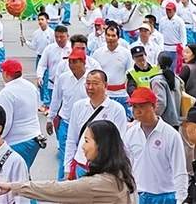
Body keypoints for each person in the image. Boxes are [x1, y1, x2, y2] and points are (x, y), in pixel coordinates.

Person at [0, 120, 136, 204]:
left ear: (101, 145)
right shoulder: (121, 172)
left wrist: (14, 187)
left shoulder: (99, 183)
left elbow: (56, 189)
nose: (83, 146)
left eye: (86, 141)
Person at [124, 87, 188, 203]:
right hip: (139, 196)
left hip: (165, 196)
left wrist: (181, 199)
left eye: (142, 106)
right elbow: (127, 167)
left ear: (153, 106)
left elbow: (180, 171)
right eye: (134, 107)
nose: (137, 111)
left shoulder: (171, 135)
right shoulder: (130, 134)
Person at [64, 70, 128, 179]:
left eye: (95, 83)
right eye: (88, 83)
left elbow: (120, 142)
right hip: (81, 166)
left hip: (104, 170)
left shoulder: (117, 109)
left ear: (105, 85)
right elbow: (71, 139)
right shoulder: (78, 107)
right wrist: (67, 168)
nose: (90, 87)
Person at [48, 48, 89, 180]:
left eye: (75, 61)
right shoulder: (63, 78)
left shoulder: (91, 80)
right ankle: (62, 185)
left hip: (86, 126)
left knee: (85, 158)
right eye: (70, 61)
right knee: (65, 155)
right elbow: (56, 99)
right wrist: (50, 118)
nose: (71, 65)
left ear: (83, 62)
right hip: (66, 123)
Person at [0, 59, 43, 169]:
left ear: (6, 74)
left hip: (17, 141)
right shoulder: (30, 86)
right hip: (34, 138)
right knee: (23, 172)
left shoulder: (6, 93)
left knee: (14, 177)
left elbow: (5, 122)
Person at [92, 25, 133, 118]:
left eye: (113, 35)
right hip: (103, 94)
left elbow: (130, 73)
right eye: (108, 35)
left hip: (121, 94)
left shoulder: (126, 53)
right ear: (105, 36)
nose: (110, 38)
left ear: (118, 37)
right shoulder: (97, 53)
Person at [22, 12, 55, 108]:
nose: (40, 22)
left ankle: (47, 102)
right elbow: (34, 46)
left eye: (42, 20)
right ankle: (42, 101)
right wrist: (26, 42)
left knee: (46, 80)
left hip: (49, 59)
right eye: (39, 20)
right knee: (40, 80)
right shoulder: (36, 33)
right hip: (39, 58)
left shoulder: (52, 33)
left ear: (47, 20)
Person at [36, 25, 71, 112]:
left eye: (62, 37)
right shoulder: (49, 49)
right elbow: (42, 65)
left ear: (67, 36)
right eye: (56, 37)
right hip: (53, 85)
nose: (59, 39)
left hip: (69, 85)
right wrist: (39, 76)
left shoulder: (73, 49)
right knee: (54, 110)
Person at [150, 52, 182, 129]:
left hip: (163, 122)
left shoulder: (157, 80)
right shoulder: (176, 79)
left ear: (158, 63)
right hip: (176, 119)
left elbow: (161, 103)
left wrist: (153, 117)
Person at [158, 2, 187, 73]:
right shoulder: (162, 20)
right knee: (163, 68)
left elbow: (183, 36)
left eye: (170, 10)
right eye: (167, 10)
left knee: (173, 69)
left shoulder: (179, 21)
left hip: (175, 49)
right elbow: (160, 33)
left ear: (174, 10)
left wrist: (183, 48)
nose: (168, 12)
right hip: (164, 47)